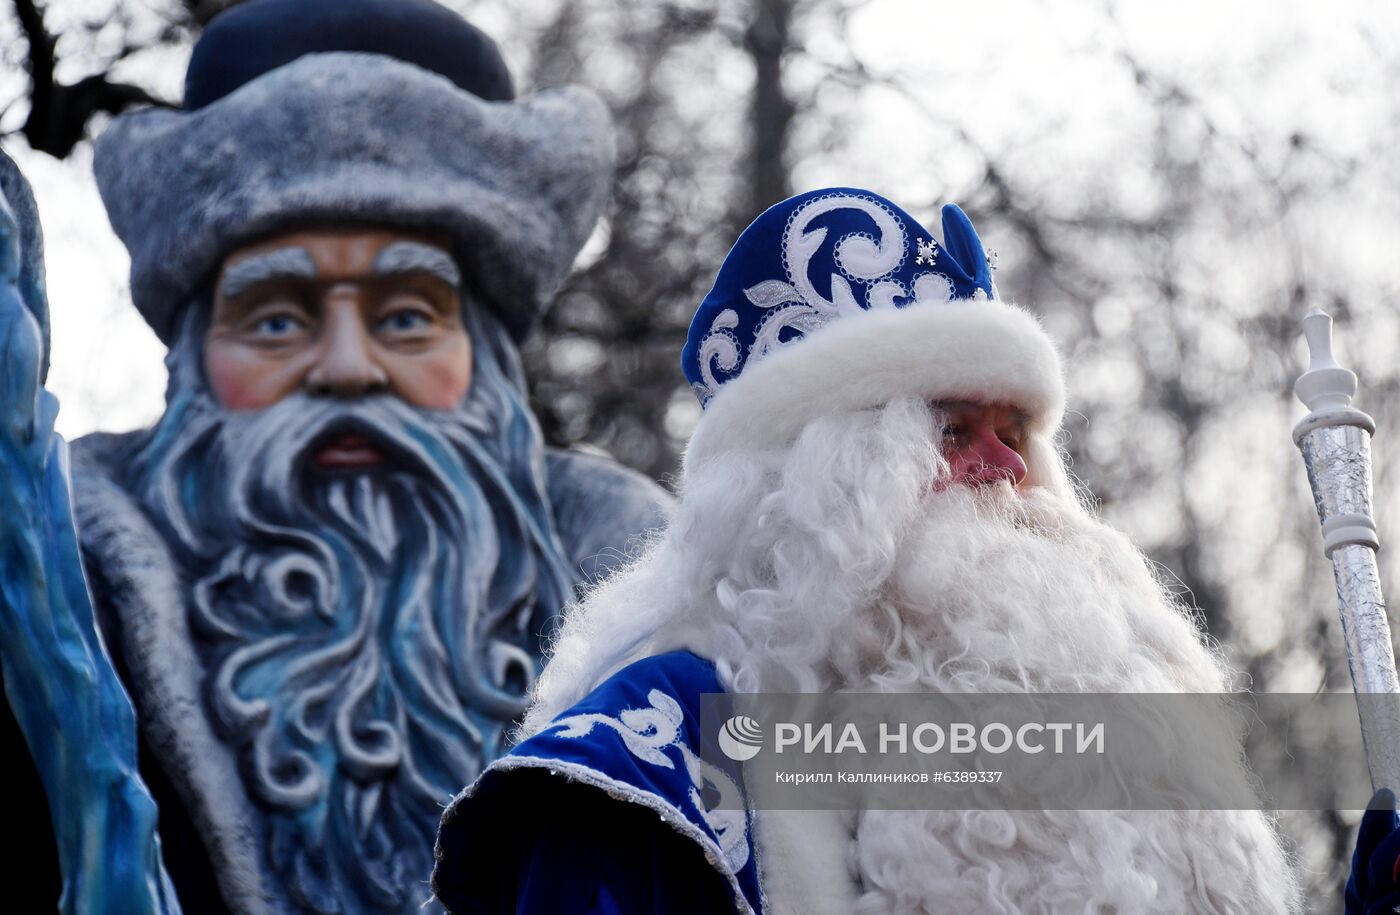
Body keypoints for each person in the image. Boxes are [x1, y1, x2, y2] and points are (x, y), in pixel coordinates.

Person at [432, 187, 1305, 913]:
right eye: (955, 429)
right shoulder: (645, 765)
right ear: (819, 485)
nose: (1005, 466)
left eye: (1018, 433)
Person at [1, 0, 670, 911]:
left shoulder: (661, 604)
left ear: (487, 356)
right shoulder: (46, 589)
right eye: (277, 318)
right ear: (195, 358)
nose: (350, 370)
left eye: (406, 316)